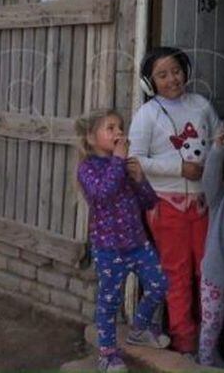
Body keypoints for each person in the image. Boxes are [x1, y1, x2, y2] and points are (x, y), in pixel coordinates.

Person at [128, 47, 221, 354]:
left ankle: (209, 343)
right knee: (177, 274)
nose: (172, 79)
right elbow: (134, 160)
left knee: (207, 274)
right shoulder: (147, 114)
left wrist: (219, 149)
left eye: (176, 71)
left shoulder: (201, 105)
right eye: (162, 74)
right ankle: (185, 343)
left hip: (202, 204)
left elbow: (220, 140)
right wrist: (179, 168)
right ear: (149, 82)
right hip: (167, 209)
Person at [76, 109, 170, 372]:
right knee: (109, 302)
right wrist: (118, 162)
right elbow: (102, 195)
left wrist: (140, 179)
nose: (119, 132)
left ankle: (139, 329)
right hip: (109, 249)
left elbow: (149, 202)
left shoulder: (126, 165)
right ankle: (107, 354)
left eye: (120, 127)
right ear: (91, 138)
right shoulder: (88, 168)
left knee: (160, 284)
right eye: (111, 128)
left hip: (138, 244)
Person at [197, 129, 224, 368]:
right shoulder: (219, 199)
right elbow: (209, 178)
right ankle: (204, 363)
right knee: (211, 325)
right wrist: (218, 151)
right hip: (214, 277)